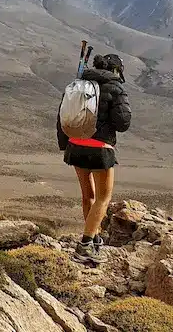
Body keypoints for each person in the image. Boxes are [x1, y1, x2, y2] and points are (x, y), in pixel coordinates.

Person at [56, 52, 132, 262]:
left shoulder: (78, 85)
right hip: (100, 150)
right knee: (103, 198)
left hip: (75, 146)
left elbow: (62, 116)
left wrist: (65, 146)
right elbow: (123, 124)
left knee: (87, 195)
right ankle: (85, 245)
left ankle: (95, 240)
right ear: (116, 70)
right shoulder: (116, 88)